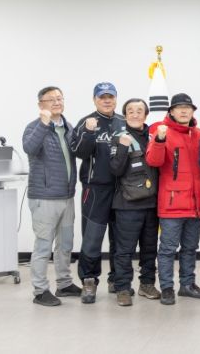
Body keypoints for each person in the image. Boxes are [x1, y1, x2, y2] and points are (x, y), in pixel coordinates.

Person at [146, 93, 200, 305]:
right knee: (167, 249)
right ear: (171, 111)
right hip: (172, 203)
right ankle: (166, 288)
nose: (184, 111)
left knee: (190, 248)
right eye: (179, 107)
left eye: (188, 108)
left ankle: (187, 285)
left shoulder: (199, 134)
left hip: (195, 203)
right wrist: (159, 140)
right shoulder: (161, 131)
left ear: (192, 112)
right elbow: (153, 161)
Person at [22, 86, 81, 306]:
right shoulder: (34, 127)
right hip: (44, 197)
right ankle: (40, 291)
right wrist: (43, 122)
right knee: (43, 246)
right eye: (51, 99)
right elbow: (30, 148)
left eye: (60, 98)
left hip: (66, 196)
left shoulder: (68, 127)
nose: (57, 102)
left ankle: (64, 284)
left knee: (65, 244)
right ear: (41, 104)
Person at [70, 82, 125, 304]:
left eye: (110, 96)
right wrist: (89, 132)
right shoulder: (86, 122)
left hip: (122, 189)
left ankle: (117, 279)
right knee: (92, 237)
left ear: (116, 98)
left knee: (120, 238)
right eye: (102, 97)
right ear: (95, 99)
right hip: (95, 189)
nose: (107, 100)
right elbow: (78, 152)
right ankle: (89, 280)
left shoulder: (124, 121)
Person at [109, 98, 160, 306]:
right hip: (127, 205)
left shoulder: (154, 137)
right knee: (124, 250)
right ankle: (122, 288)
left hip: (152, 204)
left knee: (150, 249)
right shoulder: (119, 137)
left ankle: (147, 284)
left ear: (146, 115)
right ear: (125, 115)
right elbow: (115, 170)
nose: (135, 114)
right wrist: (122, 147)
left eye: (139, 110)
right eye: (130, 111)